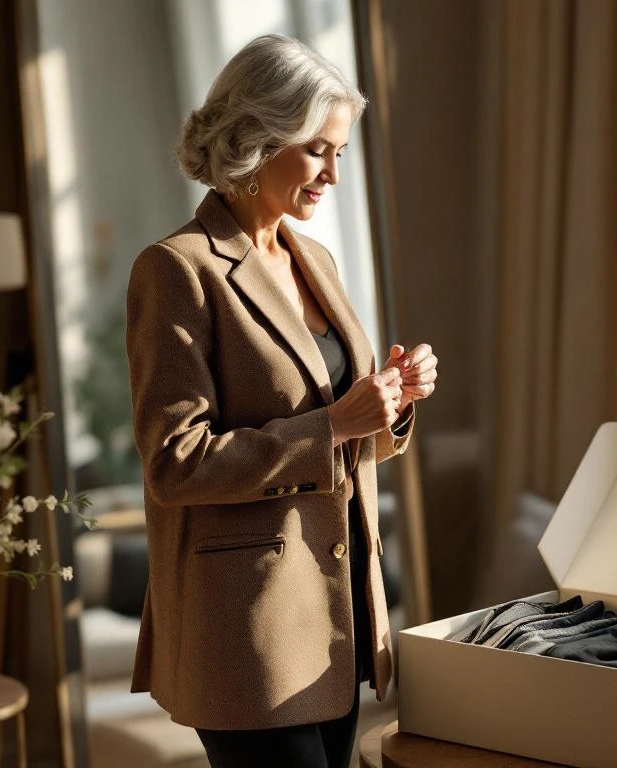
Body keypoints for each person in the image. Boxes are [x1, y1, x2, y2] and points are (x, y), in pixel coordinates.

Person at [124, 34, 438, 768]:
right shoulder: (176, 270)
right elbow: (175, 463)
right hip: (250, 628)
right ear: (255, 138)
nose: (332, 173)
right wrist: (332, 423)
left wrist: (390, 401)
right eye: (317, 150)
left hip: (338, 614)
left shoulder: (312, 257)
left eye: (340, 153)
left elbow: (348, 431)